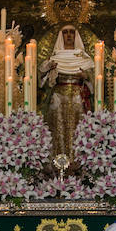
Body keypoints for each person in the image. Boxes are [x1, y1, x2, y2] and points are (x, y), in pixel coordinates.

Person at [41, 25, 95, 160]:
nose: (69, 35)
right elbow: (42, 80)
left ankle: (78, 161)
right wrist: (50, 69)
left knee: (78, 127)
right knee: (58, 127)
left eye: (72, 32)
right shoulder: (55, 58)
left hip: (78, 96)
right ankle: (58, 161)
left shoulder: (84, 58)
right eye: (65, 32)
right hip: (58, 97)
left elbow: (96, 77)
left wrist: (87, 75)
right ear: (61, 36)